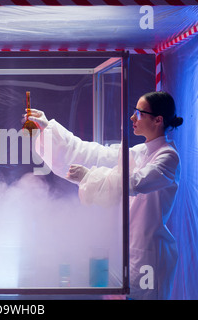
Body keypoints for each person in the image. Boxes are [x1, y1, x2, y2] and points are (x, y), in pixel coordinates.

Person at [27, 91, 183, 300]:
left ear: (158, 120)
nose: (132, 118)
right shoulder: (139, 152)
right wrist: (49, 131)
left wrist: (88, 177)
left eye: (139, 113)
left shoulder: (168, 157)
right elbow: (94, 154)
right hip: (127, 252)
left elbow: (134, 183)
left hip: (150, 256)